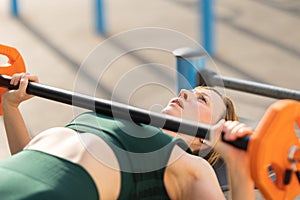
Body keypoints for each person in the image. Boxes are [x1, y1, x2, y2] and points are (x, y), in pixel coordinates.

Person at [0, 73, 255, 200]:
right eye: (192, 90)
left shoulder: (189, 164)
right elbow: (32, 157)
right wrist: (11, 106)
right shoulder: (118, 117)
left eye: (202, 99)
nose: (185, 91)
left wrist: (238, 166)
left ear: (204, 141)